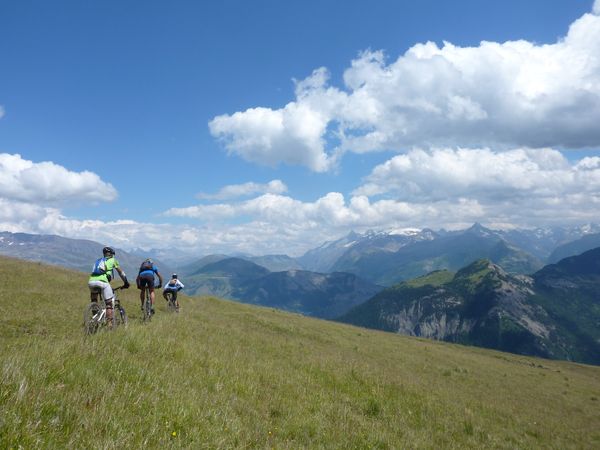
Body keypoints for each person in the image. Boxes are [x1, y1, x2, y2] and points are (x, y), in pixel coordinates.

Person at [88, 246, 129, 326]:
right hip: (103, 282)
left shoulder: (98, 261)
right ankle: (109, 325)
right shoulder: (113, 260)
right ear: (111, 254)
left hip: (91, 282)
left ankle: (95, 318)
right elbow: (121, 273)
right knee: (109, 304)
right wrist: (126, 282)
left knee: (94, 300)